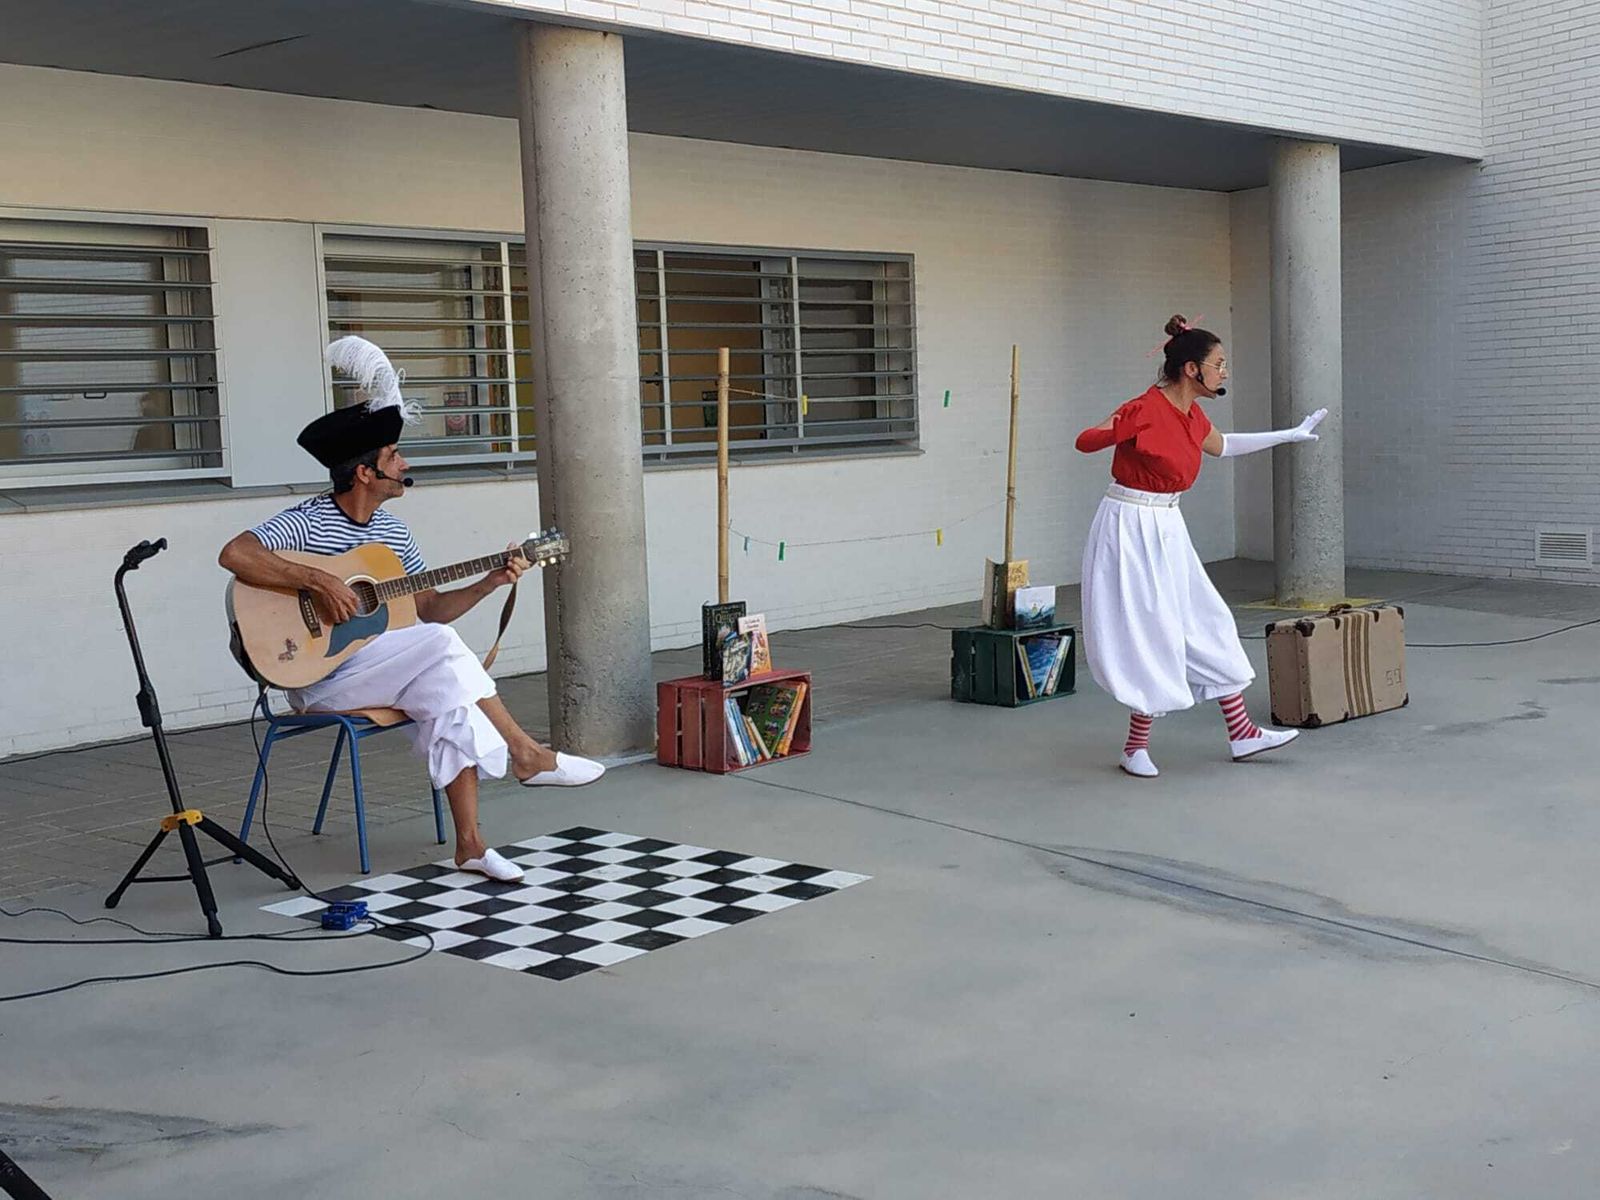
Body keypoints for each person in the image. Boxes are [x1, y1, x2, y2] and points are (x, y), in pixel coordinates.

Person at [220, 336, 603, 881]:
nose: (405, 464)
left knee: (449, 698)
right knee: (443, 654)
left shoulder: (393, 536)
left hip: (385, 667)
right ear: (364, 474)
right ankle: (527, 754)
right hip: (317, 675)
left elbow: (430, 613)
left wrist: (491, 581)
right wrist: (317, 581)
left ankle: (470, 845)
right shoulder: (306, 522)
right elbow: (234, 554)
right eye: (394, 457)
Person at [1074, 315, 1327, 779]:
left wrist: (1287, 436)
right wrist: (1116, 429)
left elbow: (1223, 445)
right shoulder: (1144, 408)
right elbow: (1085, 441)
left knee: (1203, 617)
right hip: (1129, 523)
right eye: (1219, 364)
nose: (1224, 372)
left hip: (1168, 523)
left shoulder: (1191, 414)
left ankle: (1242, 732)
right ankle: (1136, 748)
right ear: (1192, 369)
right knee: (1153, 629)